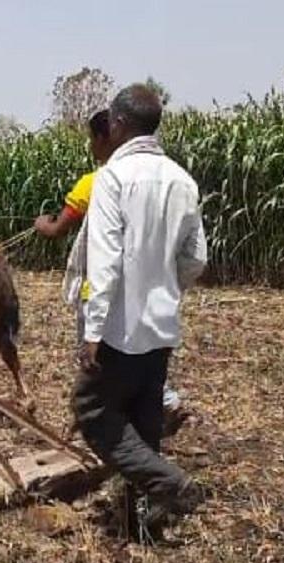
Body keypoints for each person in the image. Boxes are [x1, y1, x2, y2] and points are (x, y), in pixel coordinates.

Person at [71, 83, 209, 533]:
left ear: (119, 124)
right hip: (161, 325)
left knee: (93, 414)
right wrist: (165, 287)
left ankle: (170, 485)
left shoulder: (113, 177)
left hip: (119, 328)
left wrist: (93, 331)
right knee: (144, 423)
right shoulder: (181, 179)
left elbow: (105, 258)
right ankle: (139, 520)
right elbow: (196, 258)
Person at [34, 110, 186, 440]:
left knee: (94, 357)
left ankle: (94, 422)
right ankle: (166, 401)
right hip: (147, 290)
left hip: (99, 290)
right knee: (142, 355)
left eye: (92, 139)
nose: (91, 146)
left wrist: (40, 224)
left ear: (106, 139)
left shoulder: (97, 182)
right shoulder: (168, 179)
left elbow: (59, 227)